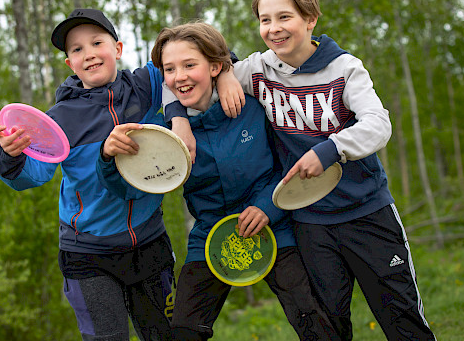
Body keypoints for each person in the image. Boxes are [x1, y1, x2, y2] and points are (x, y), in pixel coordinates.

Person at [165, 0, 437, 341]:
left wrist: (329, 150)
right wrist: (215, 84)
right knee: (329, 326)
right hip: (309, 221)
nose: (274, 28)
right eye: (265, 20)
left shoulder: (345, 68)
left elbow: (378, 124)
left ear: (310, 19)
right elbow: (182, 80)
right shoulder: (256, 70)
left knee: (402, 318)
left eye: (284, 17)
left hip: (367, 211)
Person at [100, 21, 340, 341]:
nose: (179, 76)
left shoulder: (253, 105)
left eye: (189, 65)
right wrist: (107, 158)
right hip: (210, 236)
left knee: (311, 317)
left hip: (272, 225)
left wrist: (267, 207)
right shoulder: (163, 132)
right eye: (169, 70)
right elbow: (129, 188)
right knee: (183, 330)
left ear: (215, 66)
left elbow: (290, 163)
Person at [0, 8, 179, 341]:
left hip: (150, 243)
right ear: (70, 64)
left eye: (97, 42)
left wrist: (222, 75)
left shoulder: (147, 85)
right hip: (88, 254)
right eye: (77, 49)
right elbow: (31, 176)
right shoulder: (60, 119)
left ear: (118, 49)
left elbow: (191, 55)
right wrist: (10, 155)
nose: (89, 53)